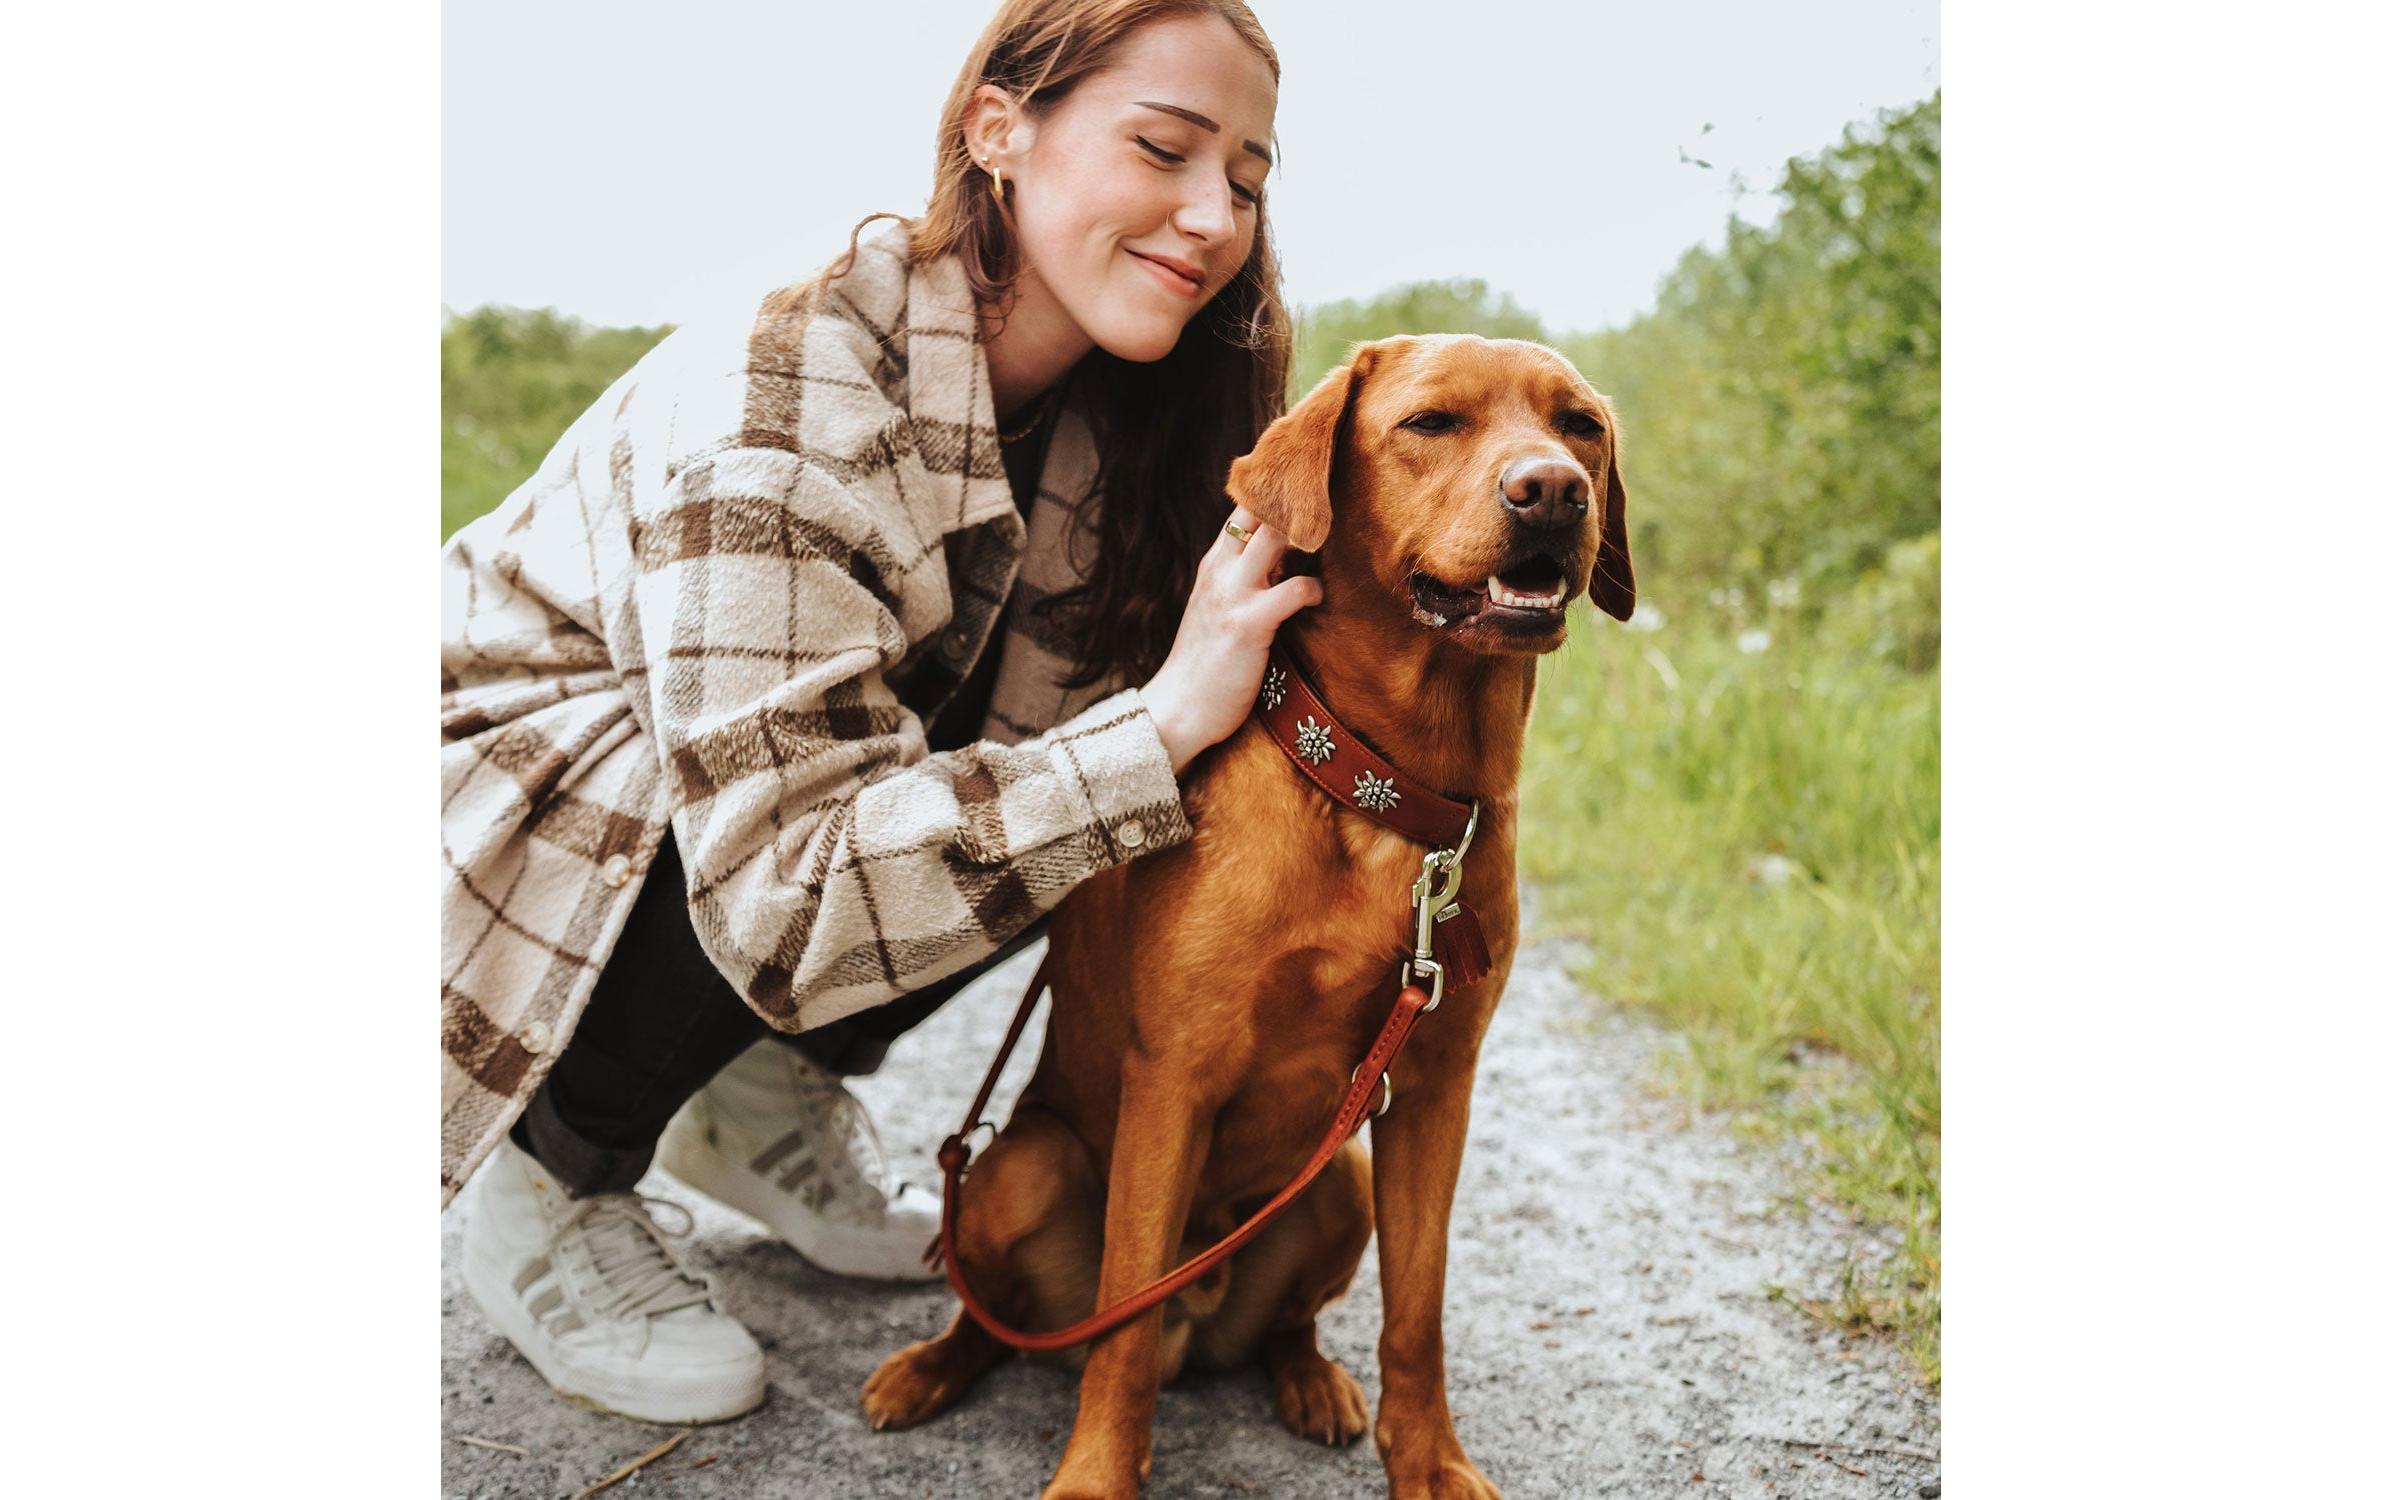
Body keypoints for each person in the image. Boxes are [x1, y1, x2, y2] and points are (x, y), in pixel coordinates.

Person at [439, 0, 1318, 1426]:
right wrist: (1153, 730)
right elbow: (785, 888)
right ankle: (560, 1175)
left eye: (1249, 177)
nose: (1214, 215)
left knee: (1074, 769)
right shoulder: (781, 409)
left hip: (759, 837)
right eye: (1164, 148)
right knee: (1100, 765)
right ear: (998, 133)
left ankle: (759, 1099)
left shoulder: (1117, 418)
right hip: (514, 801)